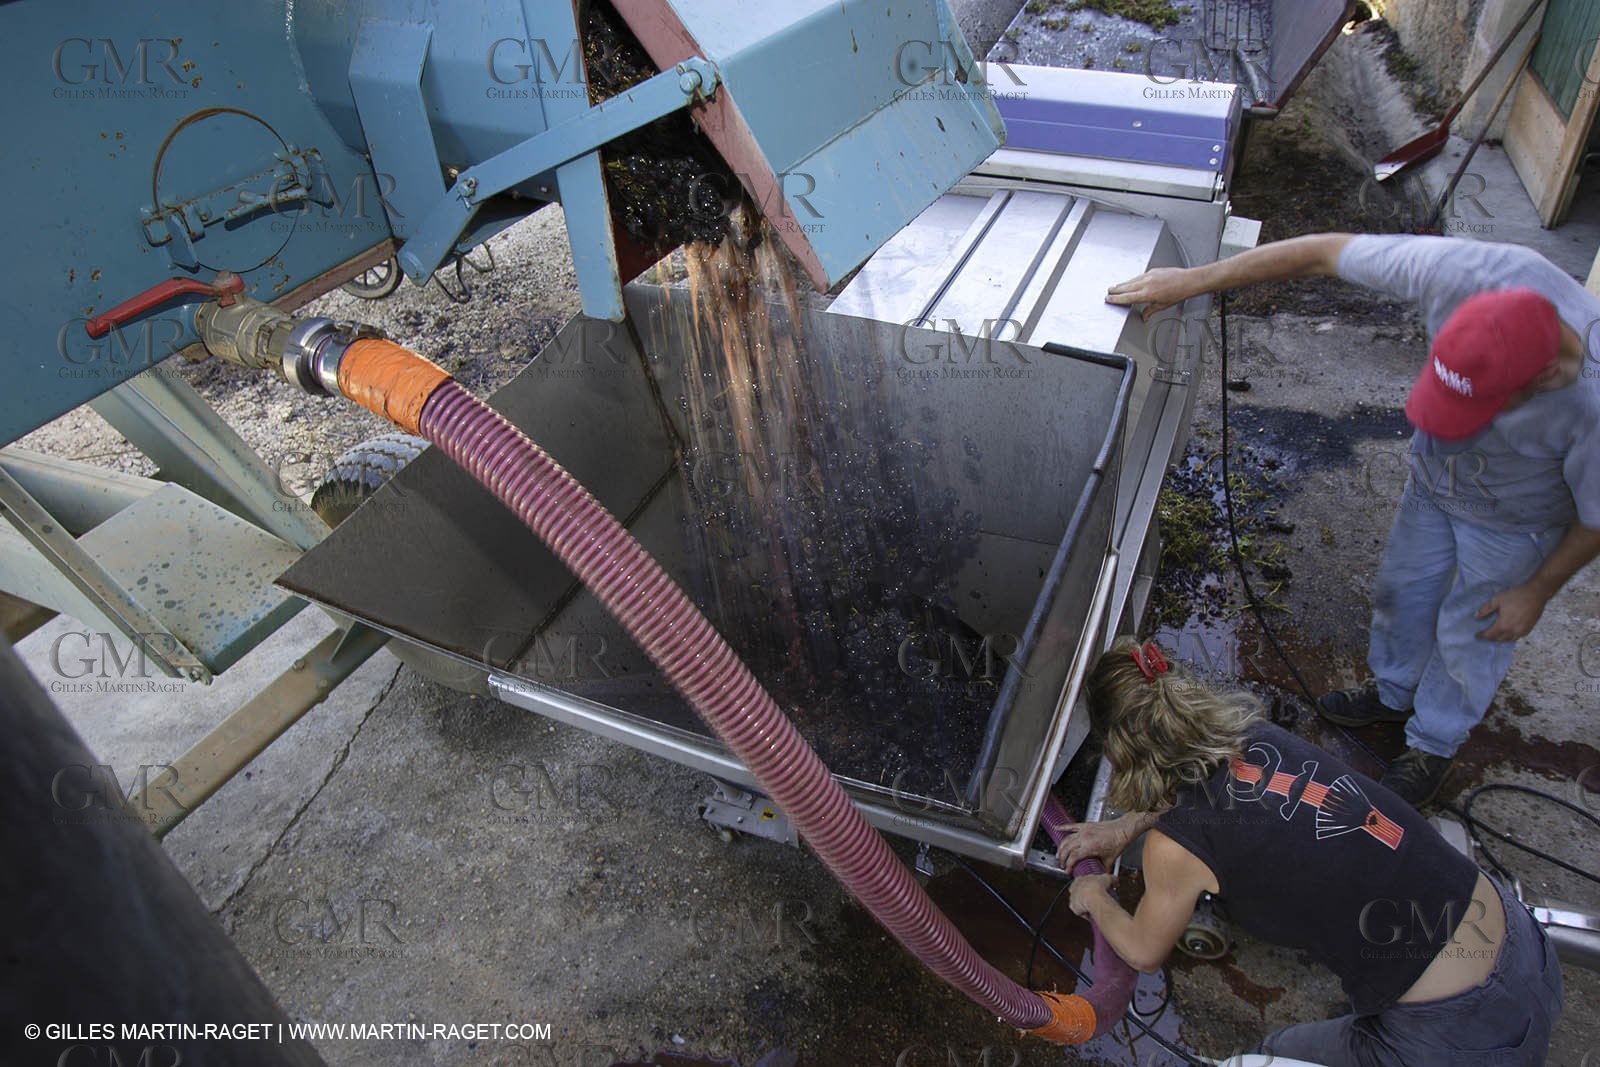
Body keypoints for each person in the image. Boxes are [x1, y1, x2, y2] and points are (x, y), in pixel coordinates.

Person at [1105, 233, 1600, 805]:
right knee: (1403, 592)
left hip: (1515, 520)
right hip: (1433, 484)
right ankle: (1393, 692)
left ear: (1536, 383)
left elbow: (1594, 520)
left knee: (1475, 629)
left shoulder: (1590, 403)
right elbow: (1321, 251)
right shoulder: (1464, 271)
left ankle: (1434, 741)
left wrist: (1537, 591)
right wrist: (1194, 279)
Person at [1062, 636, 1562, 1065]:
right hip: (1529, 954)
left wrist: (1094, 897)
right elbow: (1198, 786)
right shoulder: (1255, 737)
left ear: (1117, 750)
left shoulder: (1174, 851)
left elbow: (1144, 951)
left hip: (1466, 1040)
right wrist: (1123, 828)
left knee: (1271, 1056)